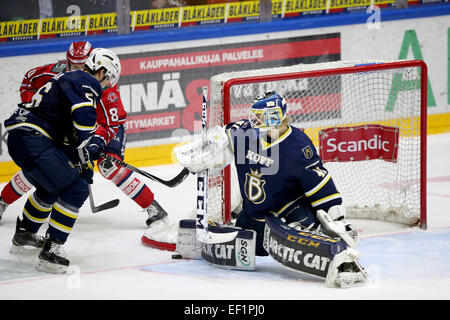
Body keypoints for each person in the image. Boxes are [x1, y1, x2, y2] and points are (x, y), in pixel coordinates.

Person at [0, 41, 167, 227]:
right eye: (73, 66)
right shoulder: (56, 72)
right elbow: (29, 79)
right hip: (71, 126)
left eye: (83, 67)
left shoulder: (105, 87)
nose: (78, 70)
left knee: (108, 166)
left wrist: (96, 140)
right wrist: (36, 109)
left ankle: (153, 207)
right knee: (43, 165)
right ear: (67, 62)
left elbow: (110, 124)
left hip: (106, 126)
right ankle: (2, 202)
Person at [3, 48, 120, 273]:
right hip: (35, 139)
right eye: (108, 79)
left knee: (51, 187)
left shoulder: (67, 78)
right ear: (101, 71)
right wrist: (90, 145)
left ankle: (25, 234)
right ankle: (52, 250)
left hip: (24, 138)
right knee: (77, 188)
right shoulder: (86, 79)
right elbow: (84, 123)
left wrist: (85, 156)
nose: (106, 86)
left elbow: (71, 136)